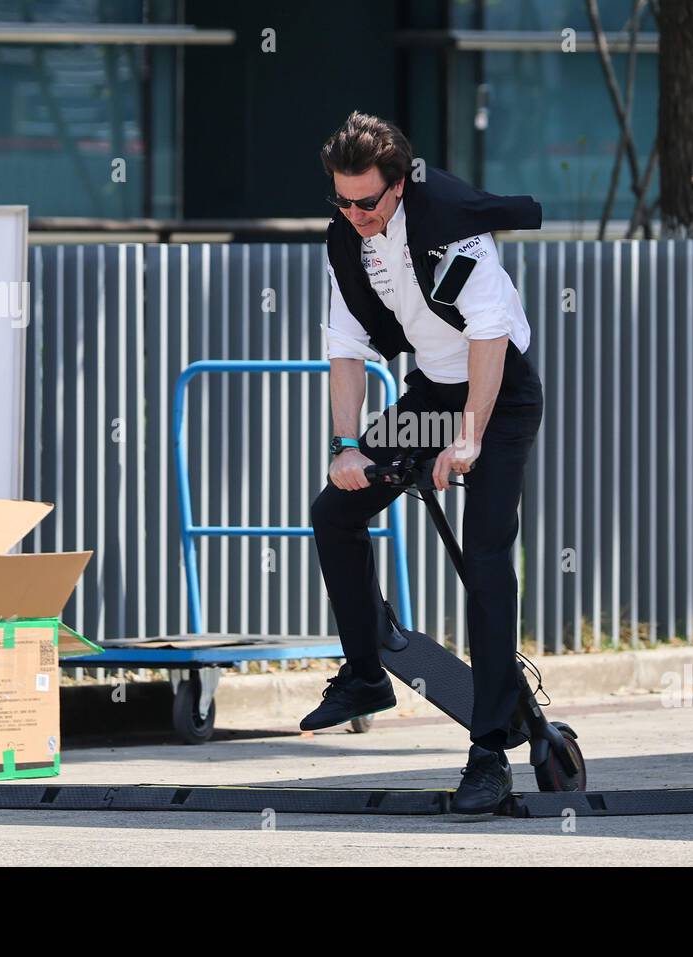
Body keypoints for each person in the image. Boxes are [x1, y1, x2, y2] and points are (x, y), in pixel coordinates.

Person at [302, 111, 545, 813]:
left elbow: (491, 336)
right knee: (335, 510)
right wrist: (345, 446)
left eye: (367, 202)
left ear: (400, 185)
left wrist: (465, 437)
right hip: (435, 392)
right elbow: (345, 351)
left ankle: (490, 751)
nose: (356, 214)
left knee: (487, 552)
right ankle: (365, 672)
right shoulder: (346, 240)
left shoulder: (451, 223)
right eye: (342, 201)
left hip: (497, 395)